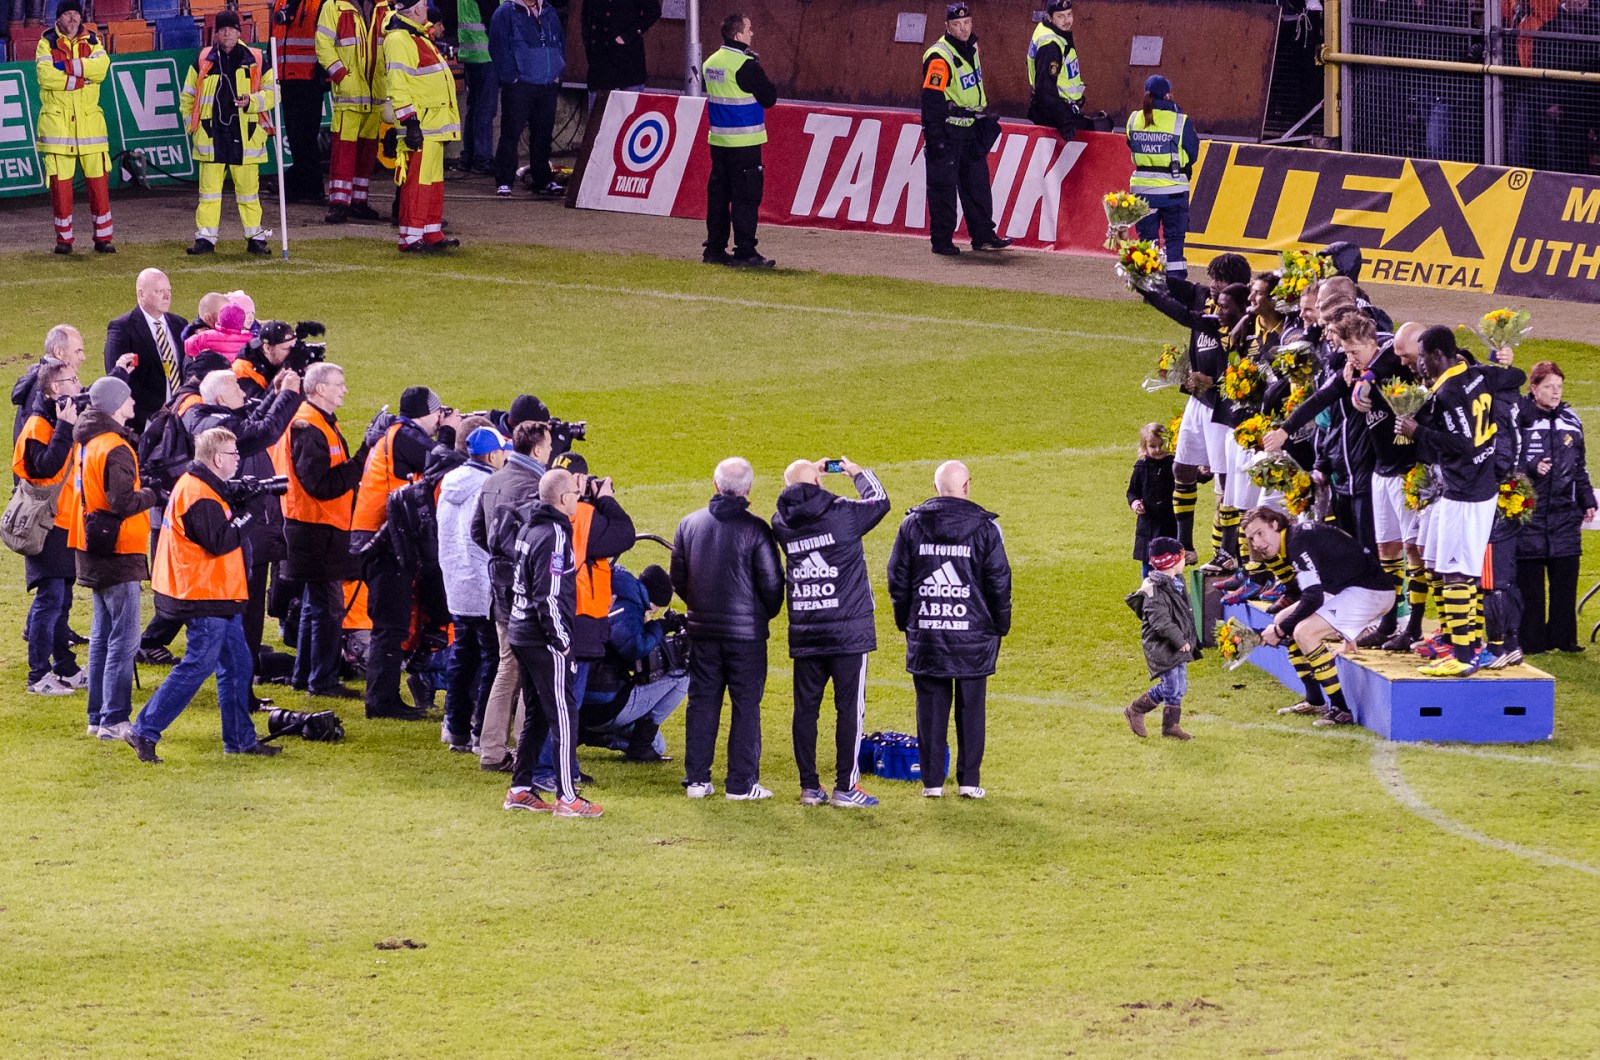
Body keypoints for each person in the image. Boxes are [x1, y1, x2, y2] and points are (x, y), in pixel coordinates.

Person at [122, 428, 280, 763]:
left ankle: (240, 740)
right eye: (234, 454)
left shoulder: (201, 486)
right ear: (217, 459)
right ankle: (144, 730)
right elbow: (220, 541)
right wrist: (252, 510)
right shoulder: (198, 494)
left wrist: (241, 499)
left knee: (238, 664)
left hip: (215, 592)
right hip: (202, 593)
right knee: (199, 664)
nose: (238, 460)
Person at [1397, 327, 1524, 677]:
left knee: (1456, 573)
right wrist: (1502, 364)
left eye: (1422, 357)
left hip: (1465, 492)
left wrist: (1417, 432)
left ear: (1438, 355)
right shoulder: (1477, 375)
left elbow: (1464, 445)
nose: (1419, 364)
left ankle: (1465, 656)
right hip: (1479, 489)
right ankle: (1465, 649)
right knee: (1456, 571)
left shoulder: (1449, 392)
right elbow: (1517, 375)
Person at [886, 460, 1011, 798]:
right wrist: (1000, 625)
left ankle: (932, 784)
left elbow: (897, 579)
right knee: (971, 709)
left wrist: (906, 621)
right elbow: (999, 583)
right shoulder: (986, 529)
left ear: (936, 489)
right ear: (967, 487)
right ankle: (969, 782)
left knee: (930, 708)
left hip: (927, 630)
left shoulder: (911, 525)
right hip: (974, 634)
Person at [771, 457, 891, 808]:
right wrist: (854, 471)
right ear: (818, 482)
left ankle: (810, 787)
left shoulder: (781, 522)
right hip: (848, 630)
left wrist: (805, 477)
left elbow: (798, 499)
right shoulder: (843, 512)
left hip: (806, 630)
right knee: (849, 710)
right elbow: (880, 500)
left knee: (805, 710)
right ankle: (845, 788)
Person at [185, 368, 303, 700]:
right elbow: (263, 432)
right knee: (245, 620)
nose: (243, 392)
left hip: (251, 534)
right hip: (246, 536)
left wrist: (274, 395)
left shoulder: (217, 420)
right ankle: (241, 693)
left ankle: (243, 691)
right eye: (237, 388)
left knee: (246, 621)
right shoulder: (220, 428)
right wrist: (289, 395)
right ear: (222, 398)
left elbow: (252, 423)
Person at [672, 456, 785, 801]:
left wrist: (699, 609)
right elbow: (772, 585)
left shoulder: (689, 524)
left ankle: (696, 780)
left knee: (702, 701)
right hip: (746, 637)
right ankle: (741, 784)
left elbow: (678, 578)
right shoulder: (757, 529)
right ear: (748, 489)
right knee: (746, 705)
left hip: (702, 632)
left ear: (715, 485)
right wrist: (760, 616)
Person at [530, 451, 635, 793]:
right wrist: (606, 499)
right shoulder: (586, 515)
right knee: (564, 701)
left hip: (553, 614)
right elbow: (625, 534)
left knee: (556, 698)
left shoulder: (538, 511)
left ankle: (566, 766)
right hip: (579, 617)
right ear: (575, 482)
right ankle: (548, 769)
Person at [503, 468, 604, 818]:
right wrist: (561, 641)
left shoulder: (529, 527)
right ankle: (567, 797)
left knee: (538, 714)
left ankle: (520, 788)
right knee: (563, 715)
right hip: (543, 637)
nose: (578, 498)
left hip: (521, 632)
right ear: (562, 498)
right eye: (575, 493)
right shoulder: (555, 535)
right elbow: (548, 595)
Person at [353, 386, 458, 719]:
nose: (439, 419)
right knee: (391, 624)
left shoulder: (396, 434)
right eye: (438, 413)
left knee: (396, 621)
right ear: (427, 413)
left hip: (385, 537)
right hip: (382, 540)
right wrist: (450, 432)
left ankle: (386, 697)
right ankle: (381, 702)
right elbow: (444, 461)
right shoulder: (405, 436)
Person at [71, 376, 160, 741]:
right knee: (124, 640)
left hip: (91, 544)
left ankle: (98, 716)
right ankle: (114, 718)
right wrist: (152, 494)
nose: (133, 404)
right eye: (127, 399)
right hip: (118, 549)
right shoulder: (115, 447)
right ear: (114, 405)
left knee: (101, 636)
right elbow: (122, 502)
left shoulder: (88, 441)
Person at [1243, 506, 1390, 724]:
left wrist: (1279, 632)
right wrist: (1280, 626)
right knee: (1282, 618)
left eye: (1260, 533)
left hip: (1371, 592)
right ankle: (1315, 700)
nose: (1257, 543)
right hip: (1348, 589)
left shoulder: (1297, 542)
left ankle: (1340, 710)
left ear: (1274, 524)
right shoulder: (1294, 538)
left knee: (1304, 632)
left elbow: (1313, 597)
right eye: (1251, 538)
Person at [284, 362, 369, 699]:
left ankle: (304, 676)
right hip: (315, 529)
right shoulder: (309, 427)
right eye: (339, 384)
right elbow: (320, 485)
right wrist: (362, 457)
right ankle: (322, 681)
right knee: (328, 609)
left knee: (315, 606)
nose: (344, 389)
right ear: (320, 389)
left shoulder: (319, 421)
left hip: (318, 527)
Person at [472, 418, 552, 770]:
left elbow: (478, 532)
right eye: (548, 446)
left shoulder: (493, 480)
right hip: (526, 593)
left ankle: (491, 749)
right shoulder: (535, 486)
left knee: (508, 667)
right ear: (536, 449)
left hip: (500, 592)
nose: (550, 452)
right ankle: (523, 750)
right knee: (530, 672)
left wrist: (501, 564)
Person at [179, 11, 278, 257]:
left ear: (239, 32)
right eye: (222, 30)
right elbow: (187, 96)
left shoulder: (256, 59)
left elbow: (273, 93)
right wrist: (192, 127)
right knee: (208, 194)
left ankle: (256, 238)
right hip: (211, 134)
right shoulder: (203, 60)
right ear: (216, 33)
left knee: (248, 193)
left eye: (231, 30)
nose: (226, 34)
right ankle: (205, 239)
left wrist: (251, 101)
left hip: (245, 135)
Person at [438, 424, 511, 752]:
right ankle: (483, 730)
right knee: (492, 659)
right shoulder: (488, 485)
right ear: (492, 455)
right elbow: (488, 536)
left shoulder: (450, 481)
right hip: (482, 584)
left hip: (455, 581)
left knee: (462, 655)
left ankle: (455, 728)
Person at [14, 359, 85, 696]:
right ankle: (38, 675)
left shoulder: (55, 419)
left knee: (62, 599)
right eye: (72, 379)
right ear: (55, 388)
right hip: (46, 524)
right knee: (50, 599)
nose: (78, 384)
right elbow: (43, 468)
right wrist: (66, 429)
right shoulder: (38, 425)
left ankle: (66, 668)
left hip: (65, 521)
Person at [1518, 361, 1596, 655]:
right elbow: (1505, 460)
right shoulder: (1519, 418)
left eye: (1559, 387)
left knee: (1565, 580)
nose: (1555, 392)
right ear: (1533, 388)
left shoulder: (1571, 420)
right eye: (1549, 386)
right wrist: (1531, 467)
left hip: (1564, 514)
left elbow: (1580, 466)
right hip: (1529, 513)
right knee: (1531, 586)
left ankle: (1564, 639)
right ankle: (1532, 642)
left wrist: (1586, 499)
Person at [921, 3, 1009, 257]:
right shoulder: (940, 57)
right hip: (947, 131)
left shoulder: (972, 48)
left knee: (977, 186)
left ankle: (983, 237)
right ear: (947, 26)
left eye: (967, 23)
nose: (963, 29)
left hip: (969, 129)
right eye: (957, 24)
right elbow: (931, 100)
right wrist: (935, 137)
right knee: (943, 189)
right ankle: (942, 241)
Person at [577, 563, 686, 760]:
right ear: (654, 599)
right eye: (657, 607)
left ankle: (595, 734)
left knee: (659, 745)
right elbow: (634, 648)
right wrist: (660, 627)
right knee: (684, 675)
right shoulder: (628, 606)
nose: (655, 611)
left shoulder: (619, 590)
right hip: (605, 701)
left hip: (583, 696)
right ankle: (630, 743)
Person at [35, 0, 114, 254]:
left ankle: (103, 238)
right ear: (58, 18)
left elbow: (101, 69)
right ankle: (64, 241)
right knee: (60, 188)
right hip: (58, 128)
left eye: (76, 13)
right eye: (67, 13)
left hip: (90, 126)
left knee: (98, 186)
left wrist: (68, 67)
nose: (72, 18)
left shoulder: (92, 40)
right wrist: (80, 80)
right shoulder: (46, 42)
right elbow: (45, 76)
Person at [701, 14, 778, 268]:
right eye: (749, 29)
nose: (751, 34)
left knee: (719, 196)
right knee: (746, 198)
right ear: (738, 35)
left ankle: (714, 249)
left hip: (719, 141)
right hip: (744, 142)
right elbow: (769, 97)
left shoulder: (710, 62)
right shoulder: (746, 65)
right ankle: (745, 252)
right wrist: (757, 67)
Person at [386, 0, 463, 251]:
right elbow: (397, 85)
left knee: (433, 182)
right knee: (418, 183)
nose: (427, 10)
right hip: (421, 124)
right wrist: (410, 122)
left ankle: (431, 232)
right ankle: (410, 237)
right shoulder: (400, 39)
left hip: (431, 124)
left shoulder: (416, 36)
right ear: (418, 9)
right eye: (424, 6)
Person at [317, 0, 389, 222]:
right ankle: (339, 203)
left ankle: (359, 201)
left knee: (367, 152)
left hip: (375, 92)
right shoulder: (334, 6)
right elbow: (323, 44)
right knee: (344, 151)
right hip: (350, 93)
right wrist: (341, 76)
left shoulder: (383, 6)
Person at [489, 0, 565, 198]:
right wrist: (512, 77)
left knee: (543, 134)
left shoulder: (549, 10)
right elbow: (497, 47)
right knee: (511, 133)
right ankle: (504, 181)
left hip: (547, 84)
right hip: (520, 85)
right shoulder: (505, 13)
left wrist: (557, 72)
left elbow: (559, 41)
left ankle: (543, 179)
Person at [1125, 74, 1199, 278]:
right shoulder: (1180, 120)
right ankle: (1176, 284)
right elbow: (1193, 152)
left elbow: (1131, 144)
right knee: (1174, 240)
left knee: (1147, 242)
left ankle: (1148, 284)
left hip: (1142, 190)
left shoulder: (1134, 119)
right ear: (1167, 95)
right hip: (1173, 190)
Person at [1124, 536, 1196, 739]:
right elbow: (1161, 623)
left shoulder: (1176, 582)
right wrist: (1179, 640)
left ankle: (1170, 727)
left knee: (1180, 686)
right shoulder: (1154, 591)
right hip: (1163, 646)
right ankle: (1136, 710)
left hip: (1177, 644)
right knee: (1171, 686)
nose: (1186, 560)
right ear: (1172, 562)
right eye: (1183, 557)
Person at [104, 273, 187, 435]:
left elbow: (187, 366)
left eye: (169, 290)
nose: (167, 296)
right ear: (141, 294)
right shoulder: (122, 328)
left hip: (181, 413)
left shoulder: (179, 324)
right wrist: (157, 405)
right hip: (145, 421)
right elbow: (117, 375)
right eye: (159, 291)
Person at [270, 0, 328, 203]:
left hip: (308, 78)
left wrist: (323, 74)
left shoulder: (318, 3)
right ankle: (301, 183)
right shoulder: (280, 3)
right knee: (295, 135)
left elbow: (327, 38)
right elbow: (274, 38)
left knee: (306, 135)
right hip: (286, 77)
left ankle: (310, 186)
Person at [13, 324, 92, 444]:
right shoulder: (42, 386)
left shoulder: (46, 377)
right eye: (78, 351)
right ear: (58, 352)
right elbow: (35, 445)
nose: (83, 357)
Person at [1026, 0, 1084, 142]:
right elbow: (1045, 90)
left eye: (1069, 14)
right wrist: (1065, 121)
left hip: (1058, 110)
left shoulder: (1049, 31)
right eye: (1061, 16)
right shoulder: (1051, 45)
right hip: (1053, 115)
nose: (1067, 21)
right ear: (1050, 18)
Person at [582, 0, 659, 104]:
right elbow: (586, 15)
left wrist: (628, 36)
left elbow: (653, 11)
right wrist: (589, 44)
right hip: (600, 56)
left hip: (628, 57)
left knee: (629, 110)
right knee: (599, 110)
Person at [1127, 422, 1176, 577]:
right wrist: (1136, 504)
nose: (1158, 450)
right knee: (1148, 564)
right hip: (1148, 524)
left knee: (1170, 563)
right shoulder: (1142, 466)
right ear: (1144, 447)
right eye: (1152, 446)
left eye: (1161, 445)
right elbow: (1132, 492)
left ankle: (1171, 590)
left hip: (1169, 522)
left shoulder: (1173, 464)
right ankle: (1148, 590)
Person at [454, 0, 498, 174]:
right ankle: (482, 158)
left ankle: (469, 157)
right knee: (485, 109)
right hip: (486, 54)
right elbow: (494, 19)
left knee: (474, 107)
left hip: (470, 53)